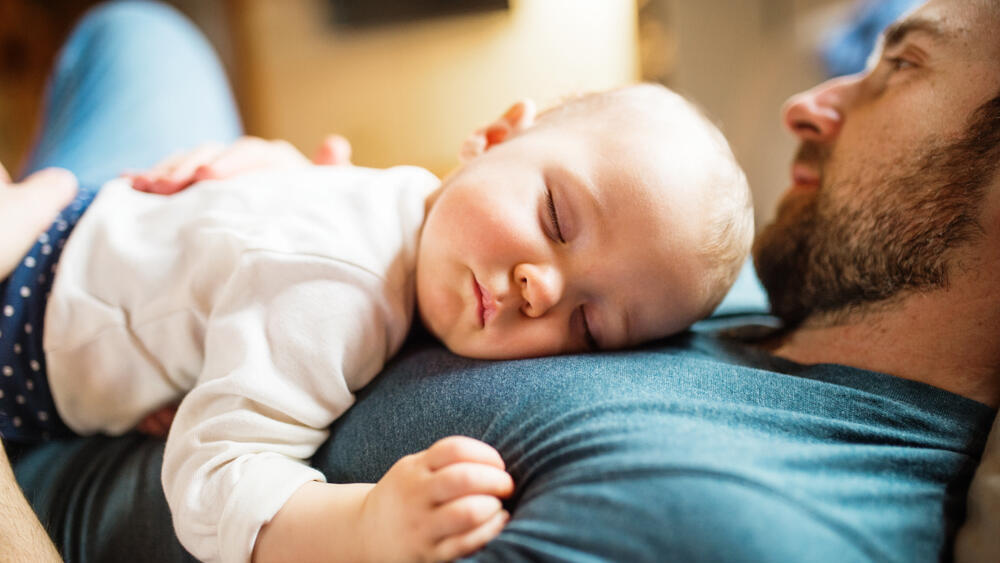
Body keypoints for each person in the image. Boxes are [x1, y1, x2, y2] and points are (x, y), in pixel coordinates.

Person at [9, 0, 998, 561]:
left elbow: (218, 483)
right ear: (493, 135)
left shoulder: (745, 524)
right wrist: (296, 198)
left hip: (43, 394)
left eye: (902, 65)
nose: (807, 100)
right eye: (557, 217)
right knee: (143, 28)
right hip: (161, 246)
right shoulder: (755, 273)